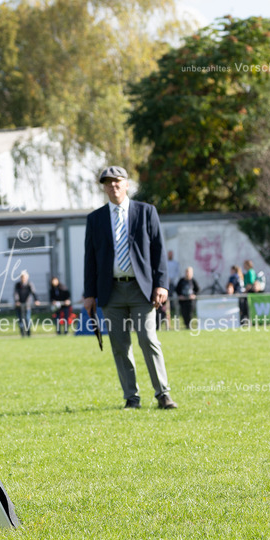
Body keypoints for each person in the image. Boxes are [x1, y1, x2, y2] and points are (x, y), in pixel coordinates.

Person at [83, 166, 177, 410]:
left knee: (148, 340)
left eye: (118, 182)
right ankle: (131, 398)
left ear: (126, 184)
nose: (113, 186)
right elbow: (90, 258)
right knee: (120, 346)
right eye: (108, 183)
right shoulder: (95, 219)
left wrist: (161, 284)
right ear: (104, 187)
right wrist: (89, 294)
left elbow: (158, 250)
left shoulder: (146, 212)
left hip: (141, 289)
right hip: (110, 291)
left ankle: (163, 394)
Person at [174, 266, 200, 330]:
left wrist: (194, 295)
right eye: (187, 272)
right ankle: (186, 325)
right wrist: (180, 295)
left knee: (190, 314)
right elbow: (177, 289)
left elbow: (198, 290)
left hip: (190, 301)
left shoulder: (193, 281)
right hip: (183, 301)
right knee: (184, 313)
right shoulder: (182, 280)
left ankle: (190, 325)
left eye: (189, 272)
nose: (188, 273)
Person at [13, 271, 37, 337]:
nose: (23, 278)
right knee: (20, 320)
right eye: (22, 277)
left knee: (27, 319)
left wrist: (36, 300)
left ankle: (28, 333)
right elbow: (16, 294)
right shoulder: (18, 285)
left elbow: (33, 292)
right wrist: (17, 301)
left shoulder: (29, 284)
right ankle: (22, 334)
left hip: (27, 305)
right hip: (19, 305)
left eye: (24, 277)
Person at [166, 250, 181, 324]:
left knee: (172, 298)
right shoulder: (165, 263)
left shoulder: (176, 263)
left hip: (172, 283)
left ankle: (173, 310)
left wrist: (172, 279)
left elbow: (177, 273)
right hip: (166, 283)